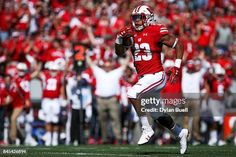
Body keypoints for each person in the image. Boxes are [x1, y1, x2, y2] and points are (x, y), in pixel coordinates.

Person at [115, 5, 188, 154]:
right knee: (157, 114)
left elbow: (178, 44)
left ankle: (146, 129)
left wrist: (177, 67)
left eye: (139, 18)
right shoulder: (132, 32)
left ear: (147, 18)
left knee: (132, 93)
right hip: (145, 78)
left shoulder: (156, 30)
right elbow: (120, 52)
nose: (136, 21)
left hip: (156, 75)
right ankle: (180, 133)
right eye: (134, 18)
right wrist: (119, 38)